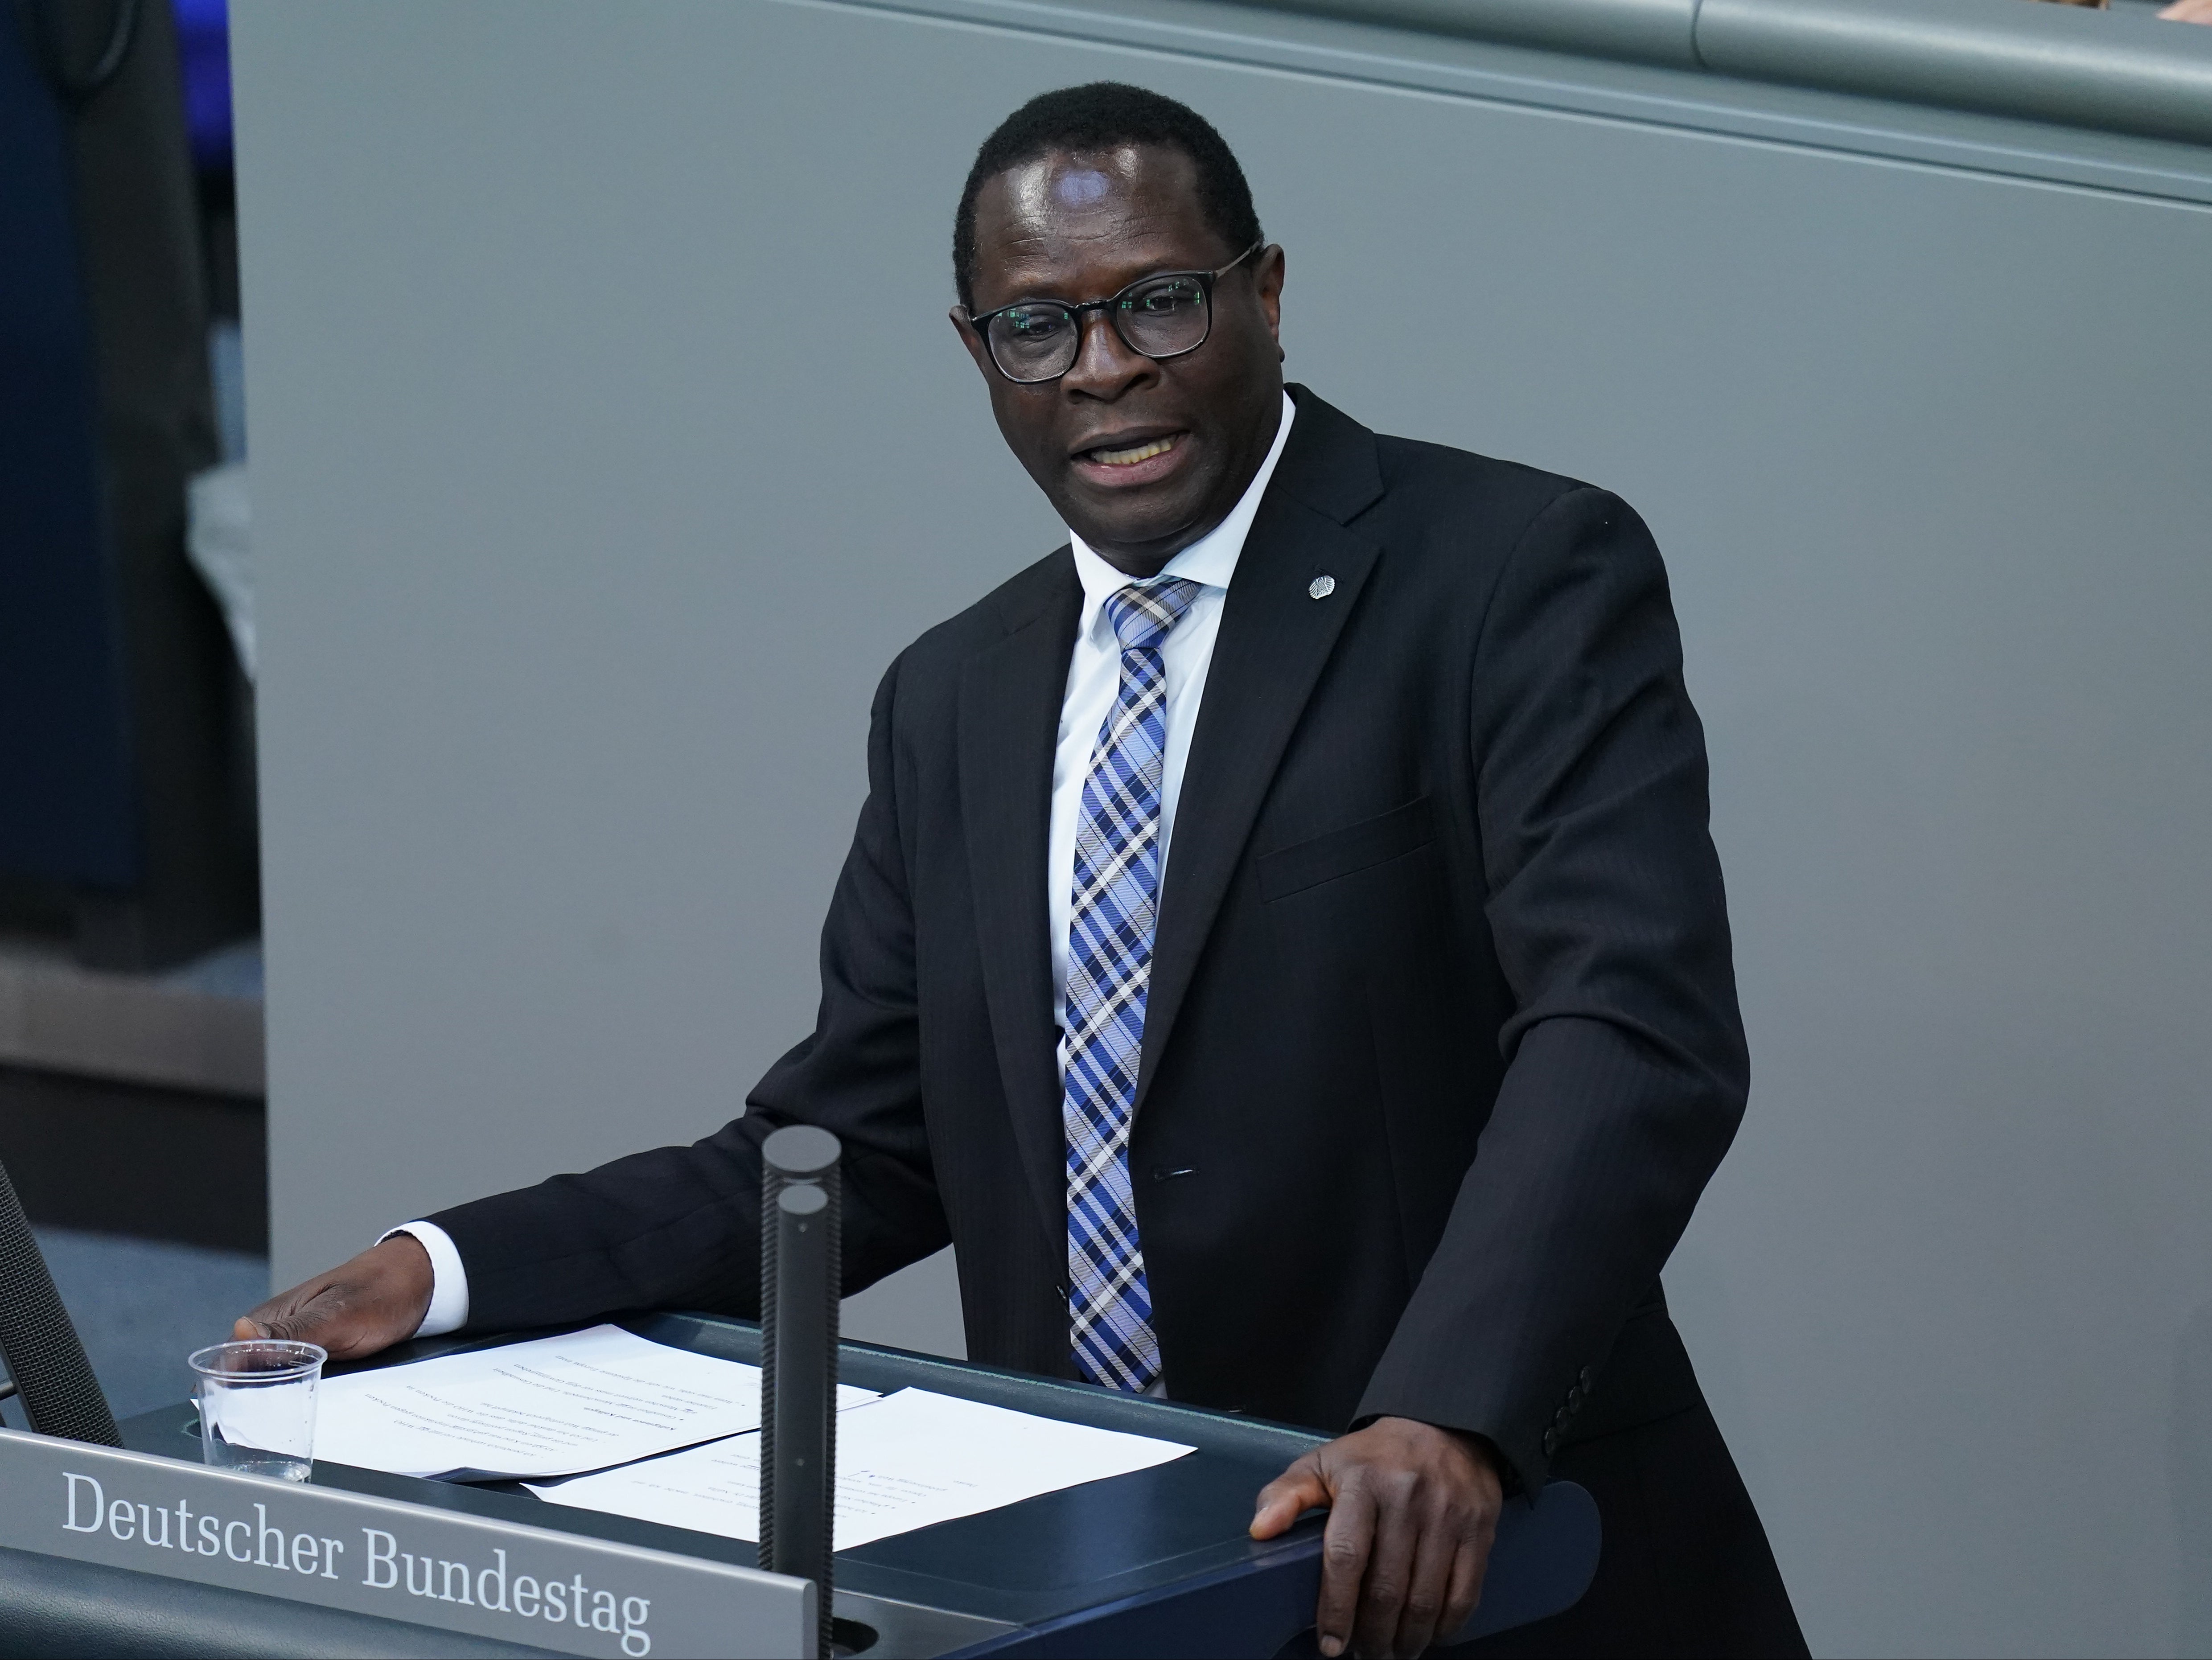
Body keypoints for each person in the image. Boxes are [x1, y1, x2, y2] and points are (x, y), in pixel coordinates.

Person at [239, 83, 1804, 1658]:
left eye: (1158, 302)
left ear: (1261, 291)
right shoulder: (954, 695)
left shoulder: (1511, 574)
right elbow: (859, 1139)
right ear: (979, 356)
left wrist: (1447, 1411)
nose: (1103, 365)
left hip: (1471, 1564)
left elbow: (1626, 1028)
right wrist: (442, 1270)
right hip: (1110, 1580)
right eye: (1036, 329)